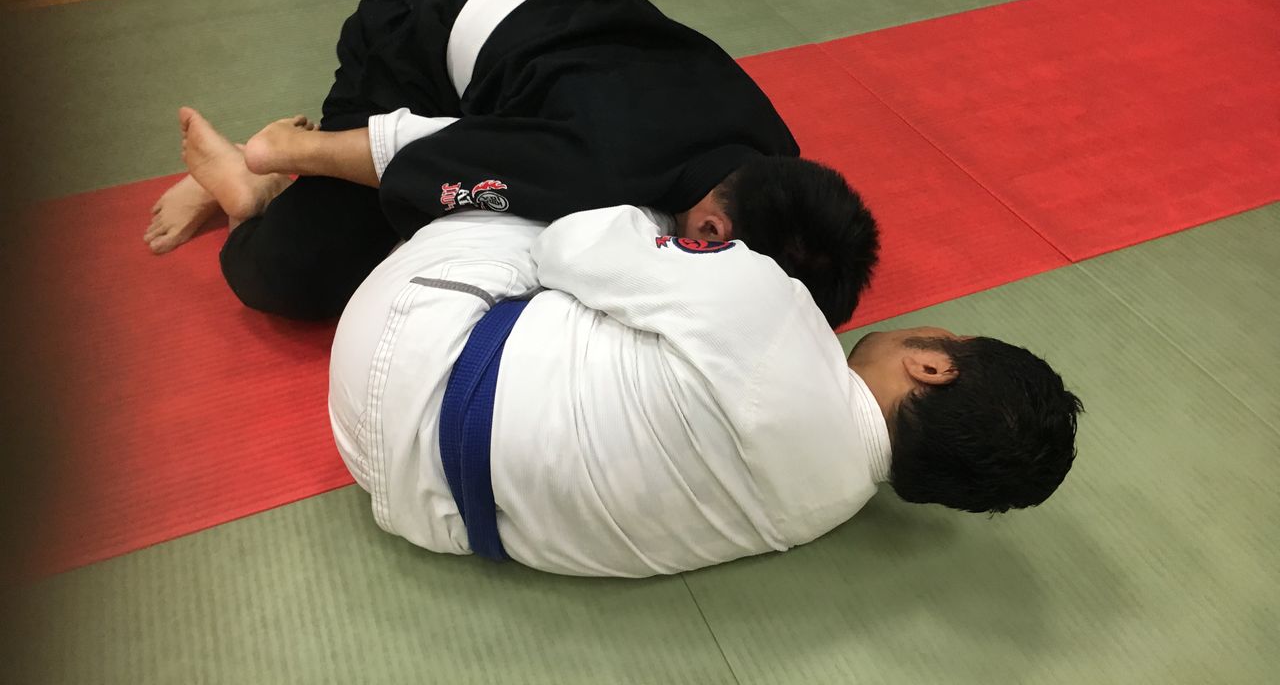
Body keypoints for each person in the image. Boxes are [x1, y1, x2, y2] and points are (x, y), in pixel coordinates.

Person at [145, 0, 880, 327]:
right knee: (300, 275)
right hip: (414, 33)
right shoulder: (601, 170)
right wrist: (289, 151)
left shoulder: (775, 155)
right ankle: (250, 185)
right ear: (712, 232)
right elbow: (427, 151)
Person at [326, 197, 1083, 577]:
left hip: (404, 351)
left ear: (935, 365)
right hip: (420, 504)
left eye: (952, 336)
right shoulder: (822, 512)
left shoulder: (779, 314)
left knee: (557, 201)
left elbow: (569, 246)